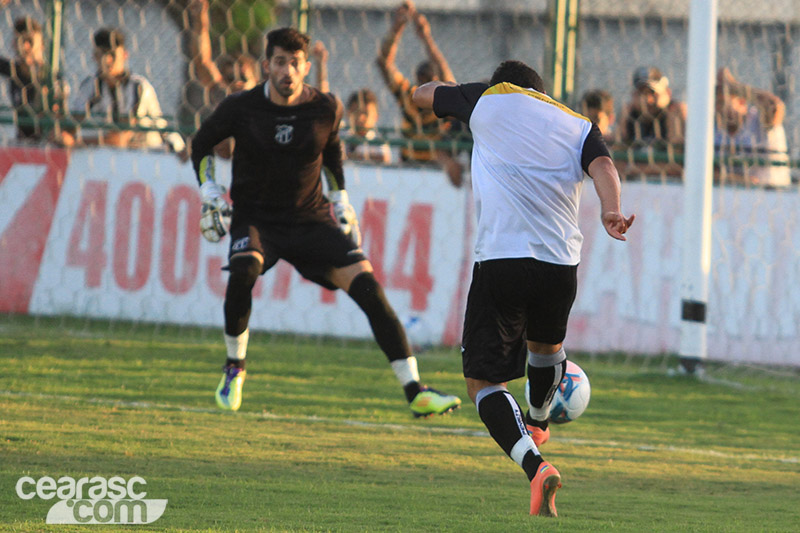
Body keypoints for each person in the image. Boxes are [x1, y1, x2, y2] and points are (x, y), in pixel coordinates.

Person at [189, 27, 461, 418]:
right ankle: (235, 368)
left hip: (310, 219)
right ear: (267, 65)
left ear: (306, 67)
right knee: (244, 270)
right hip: (256, 218)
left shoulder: (326, 108)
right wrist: (209, 191)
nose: (287, 71)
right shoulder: (240, 107)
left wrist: (342, 203)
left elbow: (332, 157)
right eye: (280, 62)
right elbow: (200, 144)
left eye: (295, 63)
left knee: (368, 287)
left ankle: (415, 391)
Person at [413, 60, 634, 516]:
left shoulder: (488, 99)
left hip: (501, 259)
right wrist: (611, 209)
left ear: (504, 86)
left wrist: (455, 93)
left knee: (483, 382)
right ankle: (537, 421)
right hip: (559, 265)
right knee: (546, 348)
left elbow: (421, 93)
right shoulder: (576, 123)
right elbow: (605, 166)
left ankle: (536, 468)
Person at [376, 0, 464, 187]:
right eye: (422, 81)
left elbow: (449, 80)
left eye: (430, 82)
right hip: (406, 170)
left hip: (436, 172)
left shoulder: (444, 103)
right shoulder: (409, 95)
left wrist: (426, 38)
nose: (425, 88)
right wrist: (397, 27)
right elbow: (384, 64)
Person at [66, 27, 182, 150]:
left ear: (125, 55)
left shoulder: (138, 87)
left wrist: (75, 142)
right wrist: (63, 135)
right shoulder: (89, 85)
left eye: (112, 55)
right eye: (102, 55)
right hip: (110, 154)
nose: (107, 61)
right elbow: (73, 124)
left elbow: (121, 138)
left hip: (152, 152)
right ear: (94, 57)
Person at [714, 67, 791, 188]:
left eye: (724, 102)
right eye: (716, 104)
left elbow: (774, 105)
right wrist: (737, 179)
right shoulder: (714, 130)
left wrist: (733, 86)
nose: (719, 109)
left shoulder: (760, 121)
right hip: (731, 195)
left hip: (772, 194)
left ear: (742, 102)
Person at [0, 16, 65, 141]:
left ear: (42, 44)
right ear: (14, 44)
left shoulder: (52, 77)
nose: (25, 46)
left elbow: (62, 118)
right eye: (20, 41)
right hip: (22, 142)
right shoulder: (14, 71)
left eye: (29, 41)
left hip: (47, 143)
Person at [619, 66, 686, 148]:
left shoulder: (675, 111)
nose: (648, 100)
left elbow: (677, 149)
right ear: (634, 95)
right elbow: (618, 147)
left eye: (653, 93)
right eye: (642, 94)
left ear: (667, 93)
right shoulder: (629, 114)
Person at [344, 88, 392, 163]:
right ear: (348, 113)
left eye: (366, 113)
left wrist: (351, 156)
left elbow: (383, 158)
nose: (360, 118)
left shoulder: (379, 142)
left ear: (376, 117)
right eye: (356, 112)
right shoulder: (342, 136)